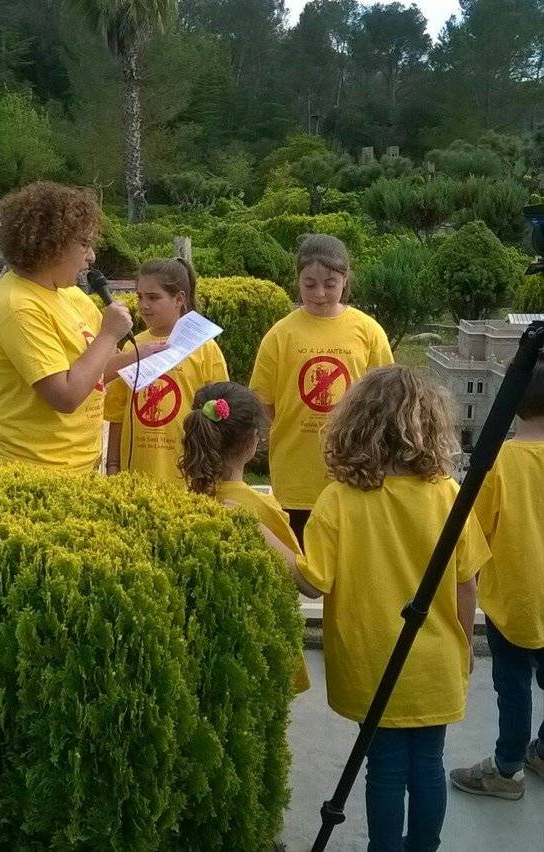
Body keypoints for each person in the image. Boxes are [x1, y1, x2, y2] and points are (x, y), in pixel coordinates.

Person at [279, 366, 490, 852]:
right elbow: (466, 584)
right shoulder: (447, 496)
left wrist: (269, 537)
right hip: (435, 659)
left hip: (374, 661)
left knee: (386, 768)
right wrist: (463, 647)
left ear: (355, 424)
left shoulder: (338, 500)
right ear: (430, 426)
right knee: (429, 764)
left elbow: (312, 582)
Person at [0, 181, 134, 473]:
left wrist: (147, 354)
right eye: (84, 244)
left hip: (75, 468)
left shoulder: (64, 293)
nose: (92, 257)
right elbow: (65, 396)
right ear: (52, 246)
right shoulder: (19, 307)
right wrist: (109, 334)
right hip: (34, 474)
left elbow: (90, 374)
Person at [249, 234, 393, 547]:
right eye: (309, 283)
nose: (319, 293)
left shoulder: (368, 331)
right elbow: (264, 402)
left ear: (345, 280)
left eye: (330, 283)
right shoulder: (281, 334)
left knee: (349, 572)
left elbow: (385, 401)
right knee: (299, 567)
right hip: (296, 474)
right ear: (298, 281)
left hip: (353, 470)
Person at [450, 353, 544, 800]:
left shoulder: (503, 461)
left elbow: (475, 530)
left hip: (516, 600)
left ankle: (506, 771)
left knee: (513, 686)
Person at [179, 380, 311, 694]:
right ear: (253, 443)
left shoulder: (186, 502)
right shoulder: (259, 509)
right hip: (255, 645)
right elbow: (306, 581)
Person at [105, 258, 228, 483]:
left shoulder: (204, 347)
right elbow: (117, 414)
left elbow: (220, 417)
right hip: (136, 473)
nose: (144, 305)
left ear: (179, 299)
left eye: (153, 297)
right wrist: (113, 465)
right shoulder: (133, 346)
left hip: (187, 472)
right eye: (140, 296)